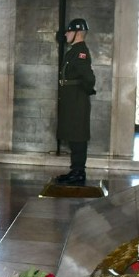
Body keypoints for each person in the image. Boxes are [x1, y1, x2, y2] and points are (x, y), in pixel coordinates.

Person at [56, 17, 96, 185]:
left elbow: (89, 78)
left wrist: (83, 93)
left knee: (78, 136)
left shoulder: (81, 52)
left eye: (69, 31)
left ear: (78, 33)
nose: (66, 34)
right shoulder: (74, 50)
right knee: (73, 135)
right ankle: (75, 170)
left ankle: (79, 172)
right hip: (72, 100)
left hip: (77, 100)